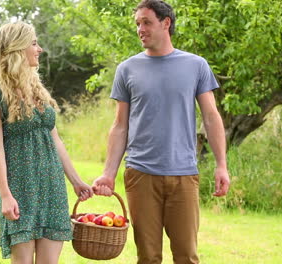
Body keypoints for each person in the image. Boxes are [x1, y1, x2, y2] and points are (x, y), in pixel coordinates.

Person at [92, 1, 230, 263]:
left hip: (184, 175)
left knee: (187, 256)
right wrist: (109, 174)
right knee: (147, 256)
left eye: (146, 22)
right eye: (137, 24)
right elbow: (120, 125)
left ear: (166, 23)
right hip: (140, 174)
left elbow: (211, 118)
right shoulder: (127, 69)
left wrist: (221, 165)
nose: (140, 29)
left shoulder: (196, 65)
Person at [0, 21, 94, 264]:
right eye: (33, 43)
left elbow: (55, 140)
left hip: (51, 185)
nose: (39, 49)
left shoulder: (38, 91)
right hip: (20, 188)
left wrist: (75, 181)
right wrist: (6, 195)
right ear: (17, 48)